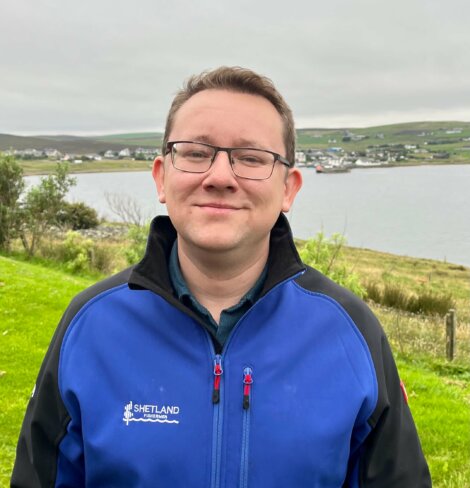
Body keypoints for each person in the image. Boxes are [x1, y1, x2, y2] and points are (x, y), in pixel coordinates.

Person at [11, 66, 432, 487]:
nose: (220, 177)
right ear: (161, 176)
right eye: (196, 152)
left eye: (251, 158)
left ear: (289, 188)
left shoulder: (350, 332)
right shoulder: (90, 326)